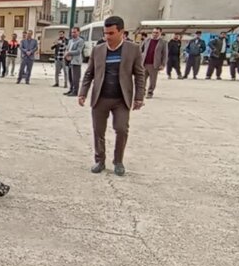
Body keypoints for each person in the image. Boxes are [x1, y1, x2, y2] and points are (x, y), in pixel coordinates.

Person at [78, 16, 145, 177]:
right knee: (98, 131)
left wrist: (139, 97)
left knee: (121, 129)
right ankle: (100, 160)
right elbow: (89, 73)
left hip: (121, 99)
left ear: (122, 32)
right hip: (100, 98)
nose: (107, 37)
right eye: (105, 33)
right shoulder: (98, 49)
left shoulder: (133, 49)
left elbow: (140, 74)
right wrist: (83, 93)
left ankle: (118, 161)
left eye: (111, 33)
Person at [141, 27, 168, 98]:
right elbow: (141, 50)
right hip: (144, 63)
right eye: (153, 32)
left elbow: (165, 54)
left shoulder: (163, 42)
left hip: (154, 64)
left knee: (152, 81)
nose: (155, 34)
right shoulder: (146, 40)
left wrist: (163, 64)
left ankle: (150, 93)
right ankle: (142, 92)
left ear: (160, 33)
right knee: (142, 79)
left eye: (157, 33)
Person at [64, 27, 84, 96]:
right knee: (70, 76)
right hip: (69, 61)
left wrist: (69, 53)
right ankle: (71, 89)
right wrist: (66, 54)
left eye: (75, 32)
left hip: (76, 61)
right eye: (72, 32)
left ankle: (75, 91)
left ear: (78, 32)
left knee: (75, 77)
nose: (73, 33)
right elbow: (67, 49)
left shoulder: (80, 41)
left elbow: (78, 51)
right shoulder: (70, 41)